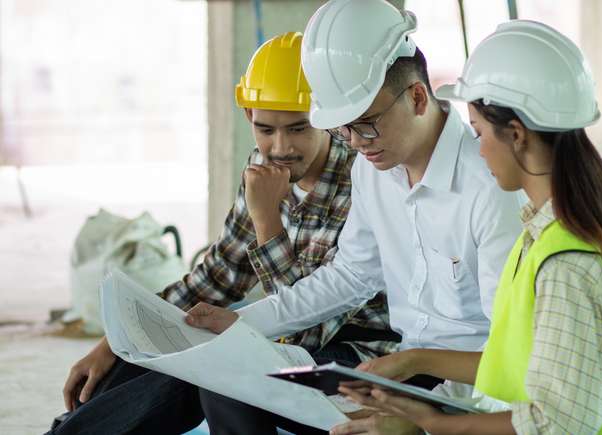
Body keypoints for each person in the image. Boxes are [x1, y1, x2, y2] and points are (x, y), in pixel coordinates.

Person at [50, 32, 399, 435]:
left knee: (214, 370)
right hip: (287, 339)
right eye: (265, 129)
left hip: (357, 352)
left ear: (327, 118)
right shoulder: (262, 167)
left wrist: (267, 221)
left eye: (299, 129)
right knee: (139, 358)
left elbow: (306, 326)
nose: (280, 147)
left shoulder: (361, 180)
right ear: (249, 116)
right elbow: (218, 276)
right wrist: (113, 344)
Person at [196, 1, 522, 433]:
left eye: (365, 124)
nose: (355, 142)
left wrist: (419, 420)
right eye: (342, 129)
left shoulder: (489, 187)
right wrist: (245, 321)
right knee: (225, 380)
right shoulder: (373, 168)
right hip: (400, 373)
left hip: (465, 387)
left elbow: (512, 356)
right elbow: (350, 275)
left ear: (418, 97)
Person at [332, 20, 602, 435]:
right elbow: (515, 363)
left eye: (478, 132)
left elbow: (561, 423)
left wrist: (430, 427)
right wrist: (414, 362)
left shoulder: (566, 265)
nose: (478, 149)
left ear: (517, 135)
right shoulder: (547, 233)